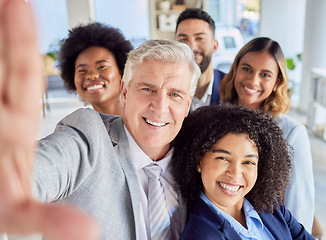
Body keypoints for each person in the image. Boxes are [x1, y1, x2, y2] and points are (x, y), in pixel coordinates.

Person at [0, 1, 200, 238]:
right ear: (125, 92)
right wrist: (14, 182)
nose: (160, 107)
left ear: (187, 104)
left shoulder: (196, 154)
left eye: (175, 94)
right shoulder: (88, 137)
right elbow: (47, 167)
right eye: (147, 89)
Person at [172, 105, 315, 240]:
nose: (235, 174)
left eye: (248, 162)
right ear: (199, 161)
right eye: (223, 158)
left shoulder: (272, 208)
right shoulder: (201, 235)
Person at [219, 37, 315, 231]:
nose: (253, 80)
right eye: (246, 69)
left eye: (265, 74)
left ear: (276, 81)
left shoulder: (291, 132)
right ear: (235, 69)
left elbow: (300, 206)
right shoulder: (216, 119)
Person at [58, 22, 133, 115]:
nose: (91, 75)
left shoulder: (147, 120)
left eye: (102, 67)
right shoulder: (79, 126)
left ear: (122, 73)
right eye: (82, 70)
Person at [175, 8, 225, 112]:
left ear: (214, 46)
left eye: (199, 38)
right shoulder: (167, 88)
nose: (191, 47)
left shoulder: (230, 87)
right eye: (183, 39)